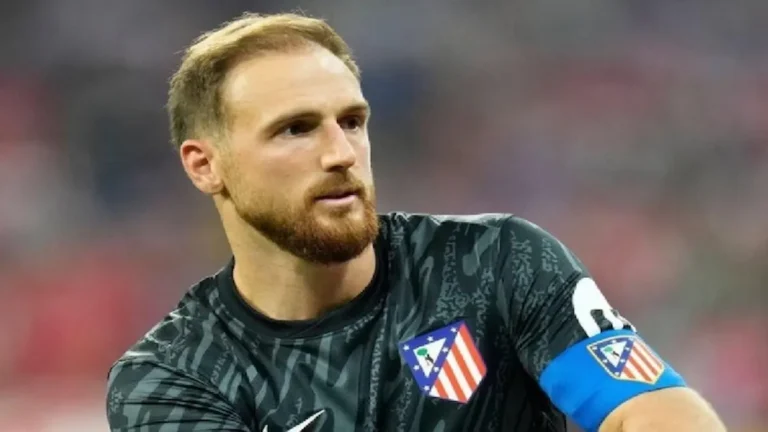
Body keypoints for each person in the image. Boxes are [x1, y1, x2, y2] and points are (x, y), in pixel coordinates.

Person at [106, 12, 726, 432]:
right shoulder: (173, 377)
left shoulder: (494, 263)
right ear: (204, 164)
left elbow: (651, 409)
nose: (340, 153)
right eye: (296, 129)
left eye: (351, 121)